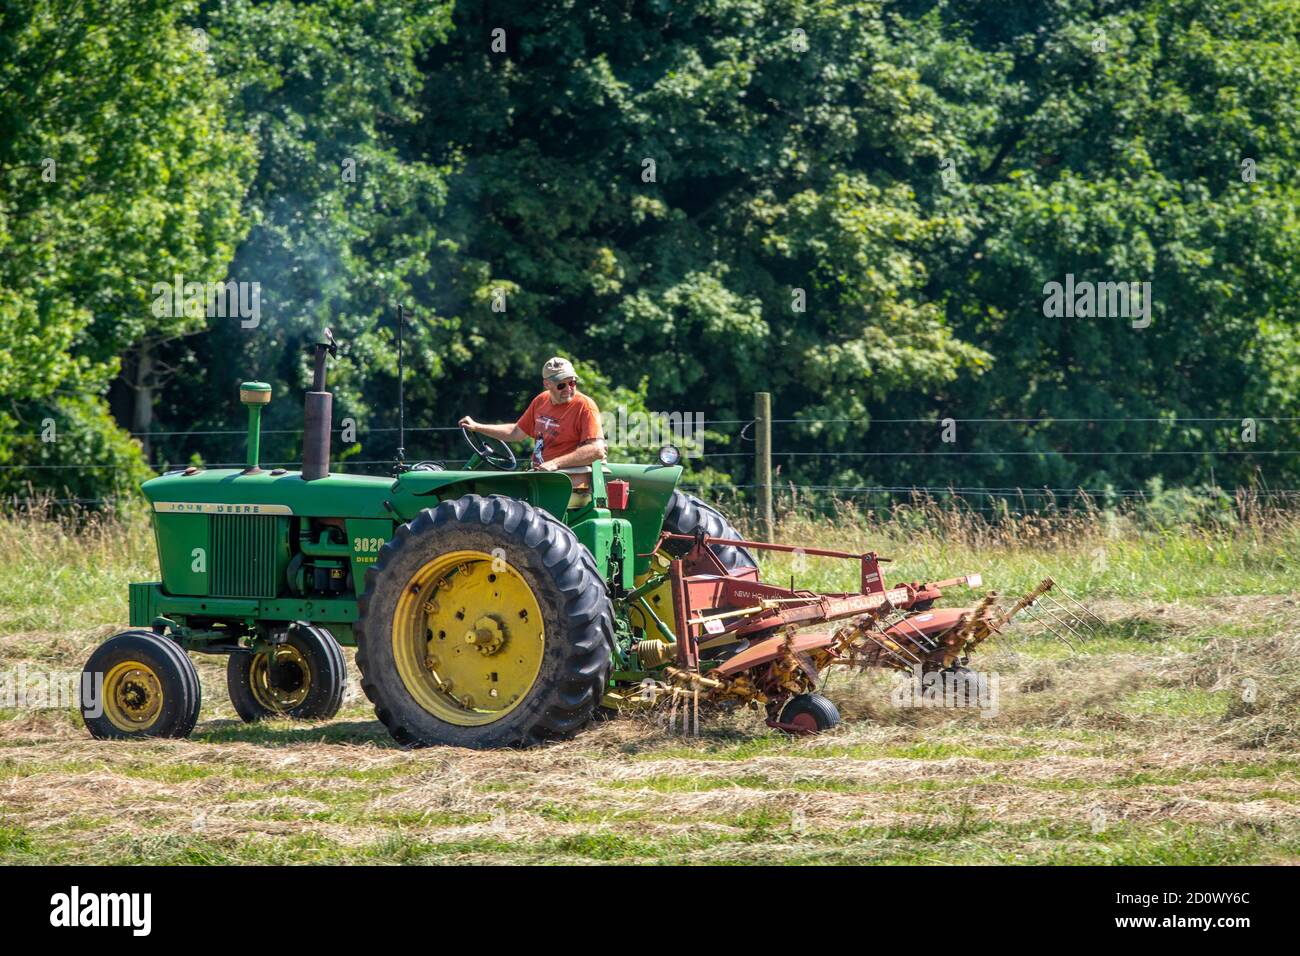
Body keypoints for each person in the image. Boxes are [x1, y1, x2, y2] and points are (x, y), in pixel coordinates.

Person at [458, 357, 607, 473]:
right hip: (541, 475)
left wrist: (555, 464)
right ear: (547, 384)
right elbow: (516, 432)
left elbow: (596, 450)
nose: (568, 389)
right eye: (562, 385)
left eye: (572, 383)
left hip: (568, 478)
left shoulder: (585, 406)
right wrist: (477, 427)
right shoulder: (541, 400)